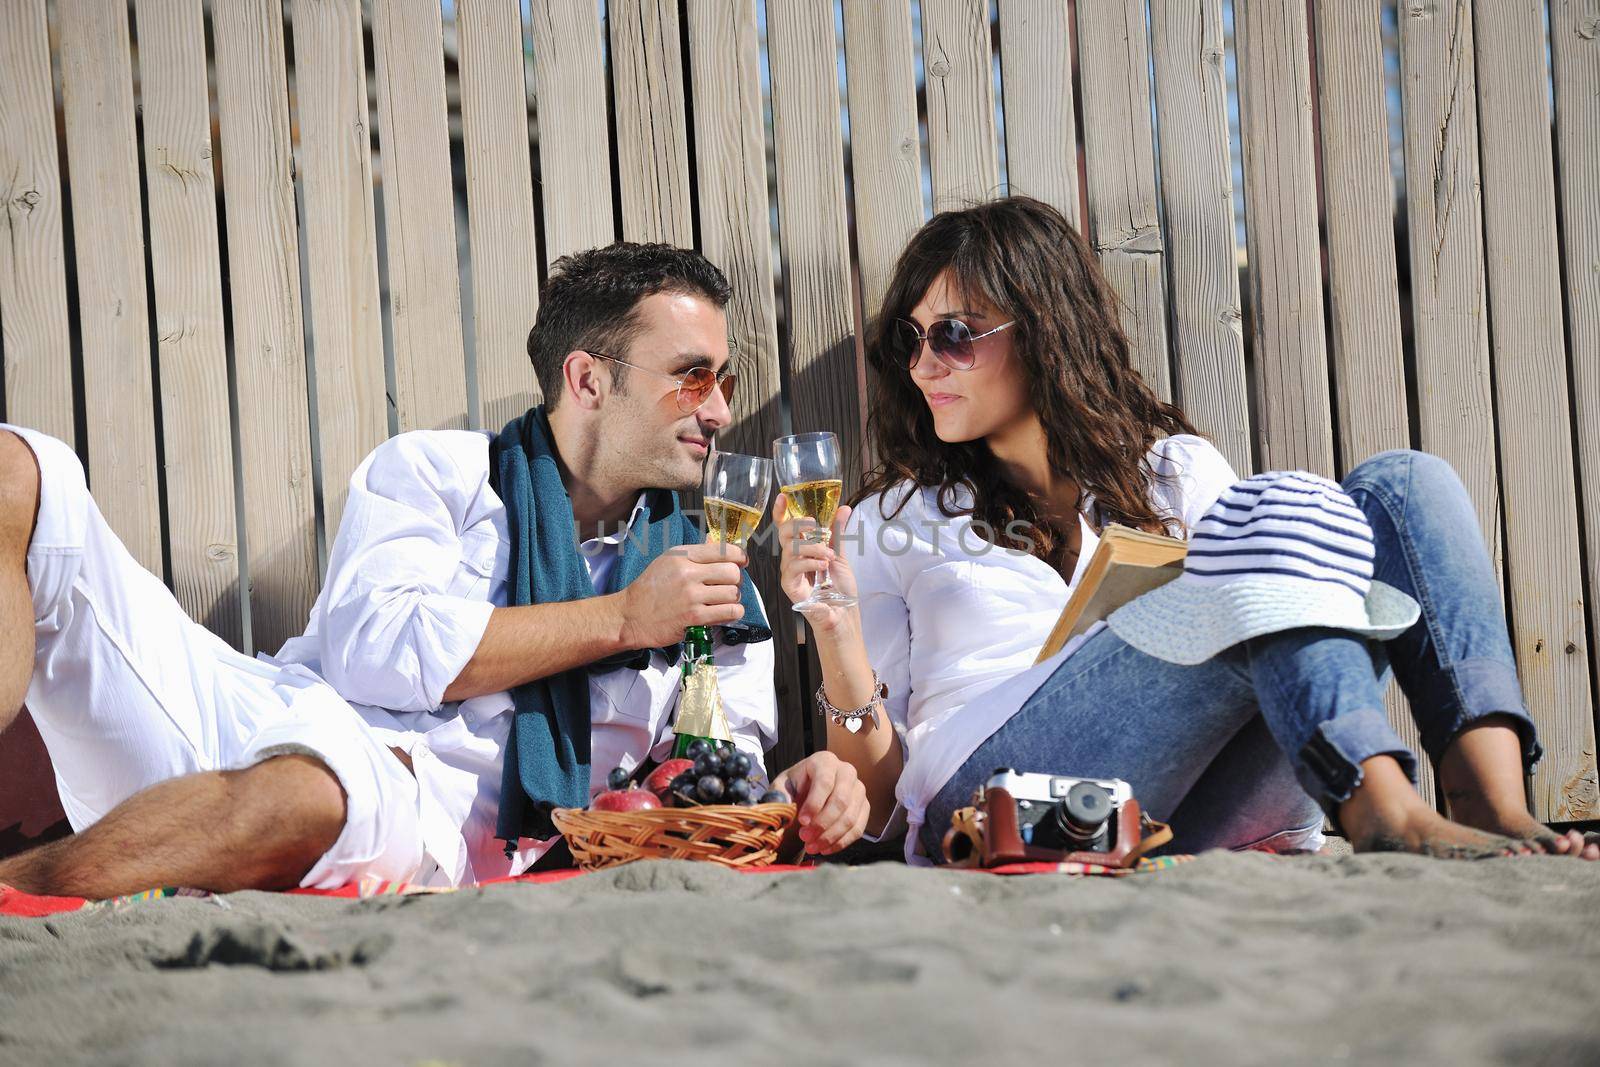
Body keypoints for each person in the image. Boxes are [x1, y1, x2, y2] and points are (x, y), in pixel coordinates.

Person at [0, 242, 867, 899]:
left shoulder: (709, 577)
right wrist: (623, 618)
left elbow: (719, 773)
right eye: (692, 377)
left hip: (406, 806)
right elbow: (371, 650)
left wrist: (801, 783)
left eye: (724, 379)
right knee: (22, 473)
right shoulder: (439, 473)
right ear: (588, 379)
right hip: (252, 706)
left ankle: (19, 892)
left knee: (320, 792)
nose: (720, 409)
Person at [774, 195, 1597, 864]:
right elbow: (880, 806)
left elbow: (1281, 609)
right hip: (1001, 801)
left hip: (1198, 806)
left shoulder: (1176, 471)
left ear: (1045, 331)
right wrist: (838, 636)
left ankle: (1493, 804)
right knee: (1271, 519)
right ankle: (1376, 800)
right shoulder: (895, 516)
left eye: (954, 335)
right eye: (911, 340)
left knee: (1406, 484)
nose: (924, 365)